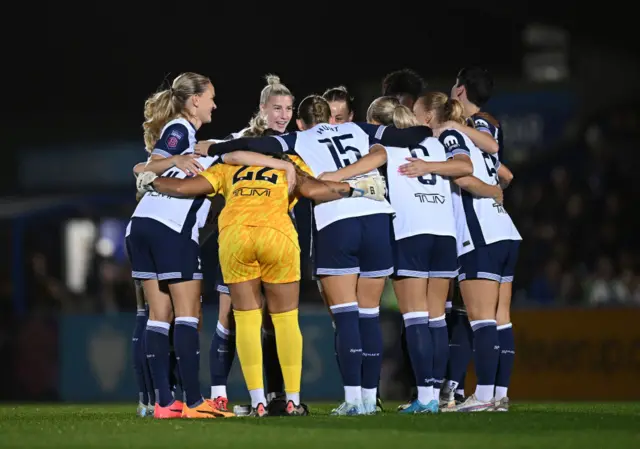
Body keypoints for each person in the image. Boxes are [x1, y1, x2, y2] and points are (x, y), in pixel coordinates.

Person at [197, 95, 435, 415]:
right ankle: (371, 399)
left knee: (347, 316)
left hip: (338, 220)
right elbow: (410, 136)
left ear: (301, 121)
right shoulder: (359, 129)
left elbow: (253, 147)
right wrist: (437, 125)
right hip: (378, 216)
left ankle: (354, 402)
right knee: (369, 315)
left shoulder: (299, 138)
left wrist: (212, 147)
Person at [136, 143, 387, 416]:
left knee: (246, 320)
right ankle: (292, 400)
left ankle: (257, 402)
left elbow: (184, 188)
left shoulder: (229, 166)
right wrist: (361, 189)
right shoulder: (289, 161)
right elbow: (316, 191)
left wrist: (151, 181)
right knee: (286, 320)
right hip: (276, 235)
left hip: (236, 236)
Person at [321, 95, 473, 413]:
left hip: (410, 232)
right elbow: (463, 167)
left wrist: (335, 175)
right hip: (445, 233)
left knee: (415, 317)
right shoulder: (434, 144)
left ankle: (426, 399)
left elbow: (369, 162)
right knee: (437, 318)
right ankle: (438, 396)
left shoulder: (386, 146)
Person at [406, 93, 520, 412]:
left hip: (479, 233)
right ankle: (496, 395)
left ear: (428, 116)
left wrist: (431, 168)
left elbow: (463, 168)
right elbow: (506, 175)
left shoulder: (449, 136)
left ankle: (484, 397)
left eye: (415, 113)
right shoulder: (470, 137)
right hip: (503, 228)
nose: (413, 120)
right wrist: (493, 189)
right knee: (498, 319)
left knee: (481, 320)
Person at [126, 72, 223, 419]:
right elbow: (147, 166)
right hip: (169, 228)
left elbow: (147, 167)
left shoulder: (189, 138)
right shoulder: (180, 129)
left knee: (157, 316)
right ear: (194, 99)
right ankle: (195, 403)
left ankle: (163, 403)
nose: (215, 103)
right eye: (211, 96)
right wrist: (176, 160)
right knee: (187, 314)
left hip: (140, 226)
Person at [209, 75, 295, 416]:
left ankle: (275, 396)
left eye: (288, 108)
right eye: (277, 107)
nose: (283, 114)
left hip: (274, 236)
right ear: (262, 108)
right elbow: (225, 160)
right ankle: (218, 395)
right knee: (228, 315)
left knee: (274, 320)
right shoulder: (240, 140)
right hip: (238, 234)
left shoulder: (292, 141)